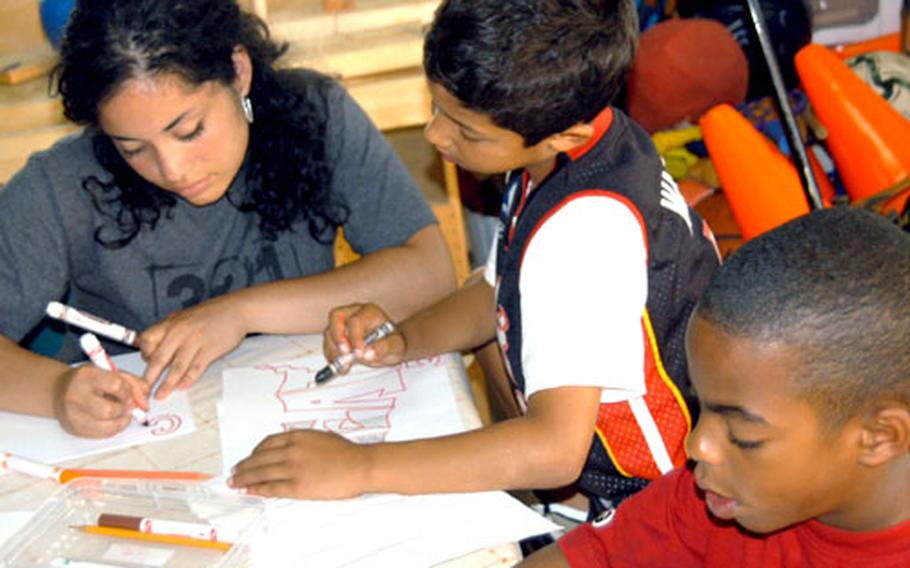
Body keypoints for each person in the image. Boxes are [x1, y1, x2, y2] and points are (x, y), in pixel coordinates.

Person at [229, 0, 720, 512]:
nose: (435, 135)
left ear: (561, 135)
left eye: (467, 131)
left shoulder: (581, 236)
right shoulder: (583, 142)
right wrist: (403, 338)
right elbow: (499, 288)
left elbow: (555, 452)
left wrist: (362, 466)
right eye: (438, 107)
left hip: (648, 507)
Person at [0, 0, 456, 438]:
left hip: (305, 414)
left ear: (238, 72)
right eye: (133, 148)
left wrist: (239, 313)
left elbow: (429, 272)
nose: (173, 169)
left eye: (189, 130)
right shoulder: (62, 186)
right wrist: (56, 392)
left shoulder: (317, 116)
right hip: (147, 435)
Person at [519, 207, 910, 567]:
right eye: (700, 405)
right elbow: (586, 557)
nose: (697, 446)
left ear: (879, 437)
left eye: (744, 437)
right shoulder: (712, 497)